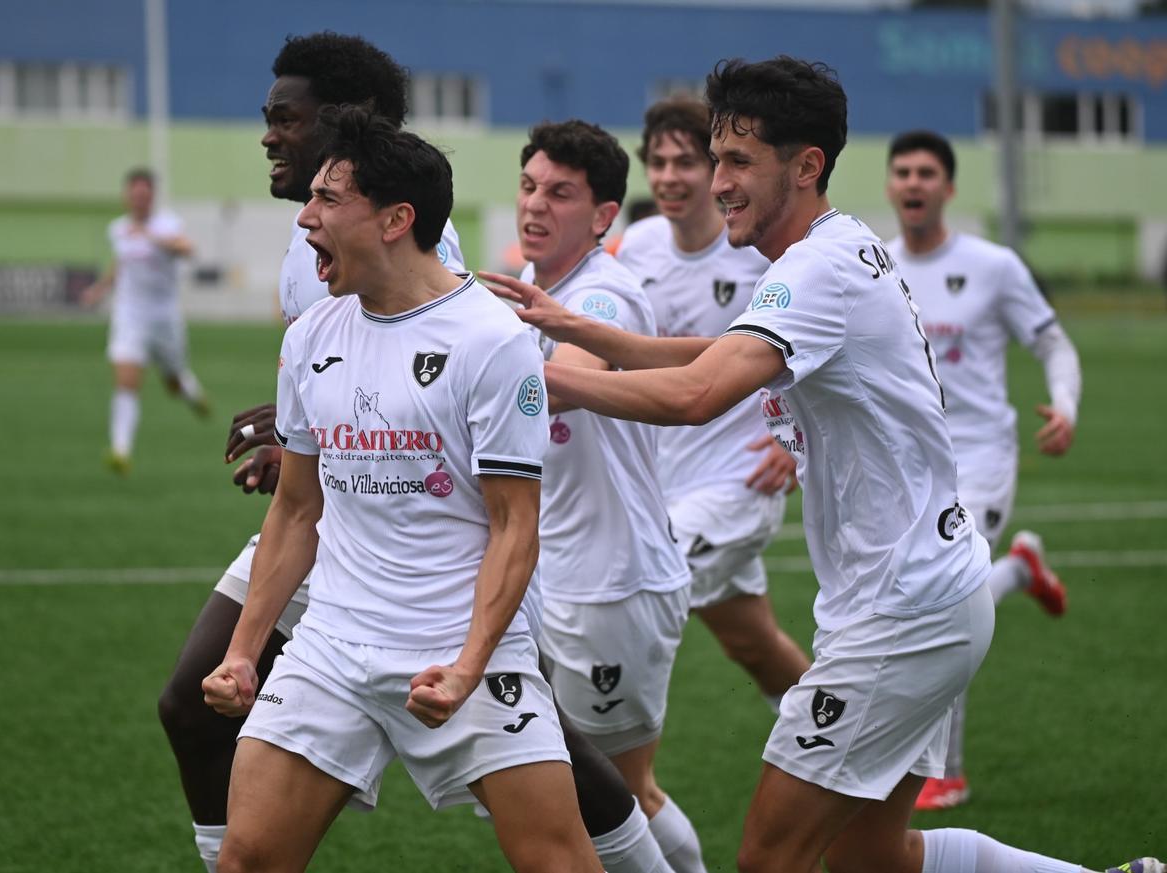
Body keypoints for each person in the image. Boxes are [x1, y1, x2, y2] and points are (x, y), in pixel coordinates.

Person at [484, 56, 1159, 873]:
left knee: (770, 856)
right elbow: (718, 351)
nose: (715, 183)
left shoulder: (817, 267)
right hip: (916, 596)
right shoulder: (830, 253)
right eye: (715, 158)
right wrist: (589, 334)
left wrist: (514, 374)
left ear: (805, 167)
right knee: (875, 861)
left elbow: (700, 392)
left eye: (737, 162)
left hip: (902, 614)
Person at [161, 33, 671, 873]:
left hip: (455, 644)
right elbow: (296, 507)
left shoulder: (489, 341)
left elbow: (515, 526)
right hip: (333, 640)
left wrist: (471, 664)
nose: (304, 217)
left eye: (328, 199)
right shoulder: (315, 331)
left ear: (397, 220)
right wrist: (246, 651)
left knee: (560, 857)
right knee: (246, 858)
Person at [155, 33, 463, 873]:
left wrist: (322, 443)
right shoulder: (310, 238)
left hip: (411, 541)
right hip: (326, 513)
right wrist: (295, 439)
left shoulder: (417, 247)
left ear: (338, 125)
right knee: (192, 702)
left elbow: (430, 390)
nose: (268, 136)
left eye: (283, 120)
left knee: (545, 770)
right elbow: (340, 374)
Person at [512, 119, 707, 873]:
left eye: (559, 193)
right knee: (582, 791)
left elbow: (557, 386)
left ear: (600, 217)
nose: (535, 204)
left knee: (618, 796)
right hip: (555, 577)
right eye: (529, 186)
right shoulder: (534, 287)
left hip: (614, 585)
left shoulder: (603, 297)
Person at [885, 129, 1082, 810]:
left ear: (949, 187)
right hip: (904, 464)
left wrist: (1065, 405)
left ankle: (947, 769)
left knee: (944, 593)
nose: (913, 183)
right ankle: (1023, 568)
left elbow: (1054, 345)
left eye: (927, 173)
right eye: (903, 172)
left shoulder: (994, 265)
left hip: (980, 457)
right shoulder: (872, 263)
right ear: (889, 186)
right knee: (915, 597)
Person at [617, 95, 810, 710]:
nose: (670, 176)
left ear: (717, 171)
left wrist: (794, 443)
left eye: (687, 162)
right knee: (754, 646)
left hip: (737, 482)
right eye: (658, 162)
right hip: (662, 480)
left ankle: (607, 785)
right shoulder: (639, 245)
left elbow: (815, 345)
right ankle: (851, 745)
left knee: (630, 607)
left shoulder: (759, 250)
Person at [82, 168, 208, 474]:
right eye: (134, 194)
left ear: (151, 196)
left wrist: (151, 237)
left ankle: (192, 392)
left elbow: (186, 248)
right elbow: (120, 263)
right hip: (129, 314)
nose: (139, 200)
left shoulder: (167, 224)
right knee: (127, 378)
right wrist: (101, 288)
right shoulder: (118, 229)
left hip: (164, 317)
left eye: (144, 194)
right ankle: (120, 450)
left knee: (173, 381)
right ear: (127, 196)